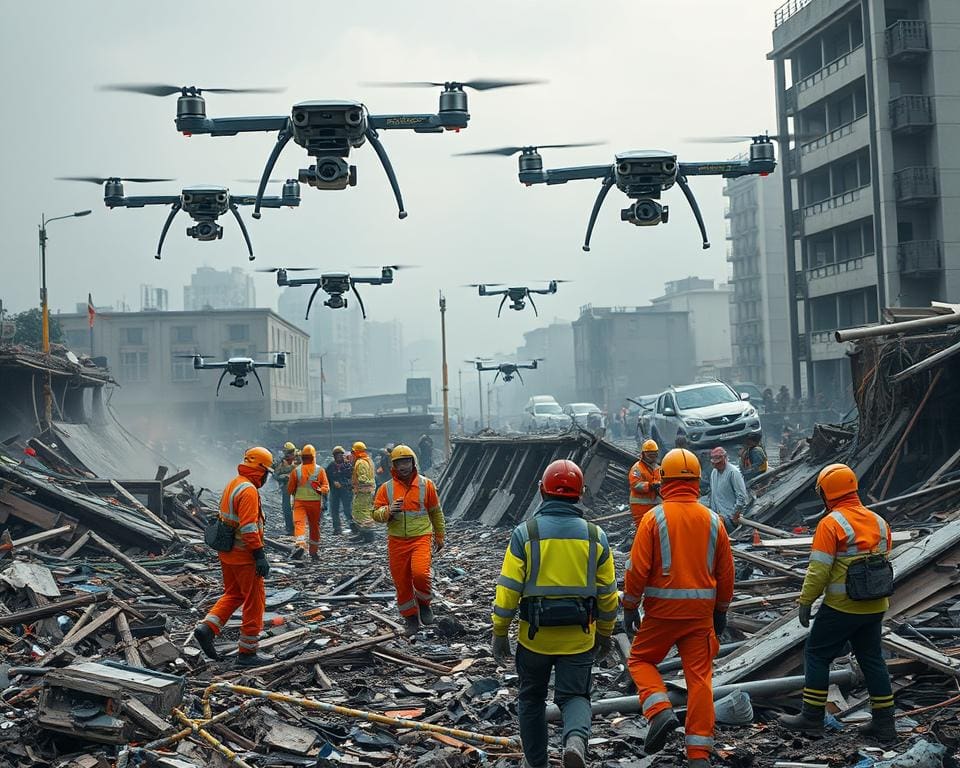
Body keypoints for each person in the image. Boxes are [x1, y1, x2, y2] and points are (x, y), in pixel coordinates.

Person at [491, 459, 618, 768]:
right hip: (578, 639)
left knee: (531, 699)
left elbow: (508, 589)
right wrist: (604, 634)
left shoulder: (526, 534)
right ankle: (574, 740)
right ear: (580, 494)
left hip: (535, 640)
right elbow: (608, 595)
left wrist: (499, 632)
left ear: (541, 491)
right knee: (575, 697)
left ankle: (537, 764)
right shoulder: (595, 536)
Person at [623, 448, 734, 767]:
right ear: (698, 481)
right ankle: (699, 753)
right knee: (699, 679)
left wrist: (630, 606)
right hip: (700, 616)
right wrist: (721, 611)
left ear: (665, 480)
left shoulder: (652, 519)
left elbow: (637, 569)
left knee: (641, 659)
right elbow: (726, 573)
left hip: (662, 614)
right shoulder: (714, 521)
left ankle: (659, 712)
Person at [779, 463, 895, 740]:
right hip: (875, 605)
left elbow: (819, 570)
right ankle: (885, 723)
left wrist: (805, 601)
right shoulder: (879, 521)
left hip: (842, 606)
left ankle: (811, 717)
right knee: (872, 659)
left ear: (826, 493)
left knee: (817, 654)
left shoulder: (831, 524)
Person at [194, 446, 274, 667]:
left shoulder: (234, 483)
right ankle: (248, 653)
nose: (267, 476)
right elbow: (249, 528)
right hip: (244, 556)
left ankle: (207, 628)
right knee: (254, 601)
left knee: (234, 593)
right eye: (266, 471)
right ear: (260, 469)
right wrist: (259, 555)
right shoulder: (248, 490)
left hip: (227, 553)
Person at [372, 445, 446, 636]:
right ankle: (410, 617)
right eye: (399, 463)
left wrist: (439, 535)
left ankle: (424, 603)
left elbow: (435, 512)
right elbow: (375, 514)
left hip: (421, 537)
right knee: (401, 582)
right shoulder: (386, 489)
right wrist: (388, 511)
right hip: (396, 541)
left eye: (406, 462)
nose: (403, 466)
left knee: (420, 574)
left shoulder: (426, 485)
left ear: (413, 462)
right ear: (393, 465)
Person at [287, 444, 329, 561]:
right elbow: (326, 487)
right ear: (314, 456)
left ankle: (300, 546)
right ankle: (314, 553)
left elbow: (290, 489)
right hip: (315, 503)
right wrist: (321, 490)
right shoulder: (320, 470)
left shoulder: (296, 471)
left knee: (299, 524)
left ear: (302, 457)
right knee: (314, 527)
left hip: (299, 502)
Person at [706, 447, 748, 531]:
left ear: (724, 459)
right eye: (714, 463)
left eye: (718, 463)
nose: (715, 465)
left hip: (730, 518)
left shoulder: (733, 472)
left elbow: (742, 496)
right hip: (717, 517)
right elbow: (713, 494)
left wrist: (735, 514)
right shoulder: (714, 473)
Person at [628, 439, 662, 528]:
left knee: (655, 528)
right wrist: (649, 486)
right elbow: (635, 485)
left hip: (655, 504)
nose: (652, 457)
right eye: (649, 454)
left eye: (654, 454)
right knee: (643, 528)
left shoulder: (659, 468)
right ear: (643, 454)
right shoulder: (637, 468)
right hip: (640, 506)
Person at [351, 441, 377, 543]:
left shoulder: (360, 462)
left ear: (356, 452)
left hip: (363, 491)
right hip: (367, 490)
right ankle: (362, 533)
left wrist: (355, 484)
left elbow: (363, 478)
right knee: (363, 510)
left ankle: (368, 536)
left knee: (362, 512)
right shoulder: (368, 460)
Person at [325, 446, 354, 536]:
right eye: (337, 455)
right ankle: (337, 528)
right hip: (334, 491)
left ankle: (354, 527)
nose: (339, 457)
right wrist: (333, 482)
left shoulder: (347, 465)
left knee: (347, 509)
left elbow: (351, 477)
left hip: (345, 490)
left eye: (340, 454)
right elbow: (327, 478)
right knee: (334, 510)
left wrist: (343, 483)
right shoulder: (330, 466)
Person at [273, 442, 299, 535]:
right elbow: (275, 475)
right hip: (286, 487)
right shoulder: (281, 463)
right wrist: (283, 477)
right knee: (286, 508)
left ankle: (298, 527)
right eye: (288, 452)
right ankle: (290, 528)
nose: (289, 454)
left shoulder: (299, 460)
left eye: (291, 452)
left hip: (298, 487)